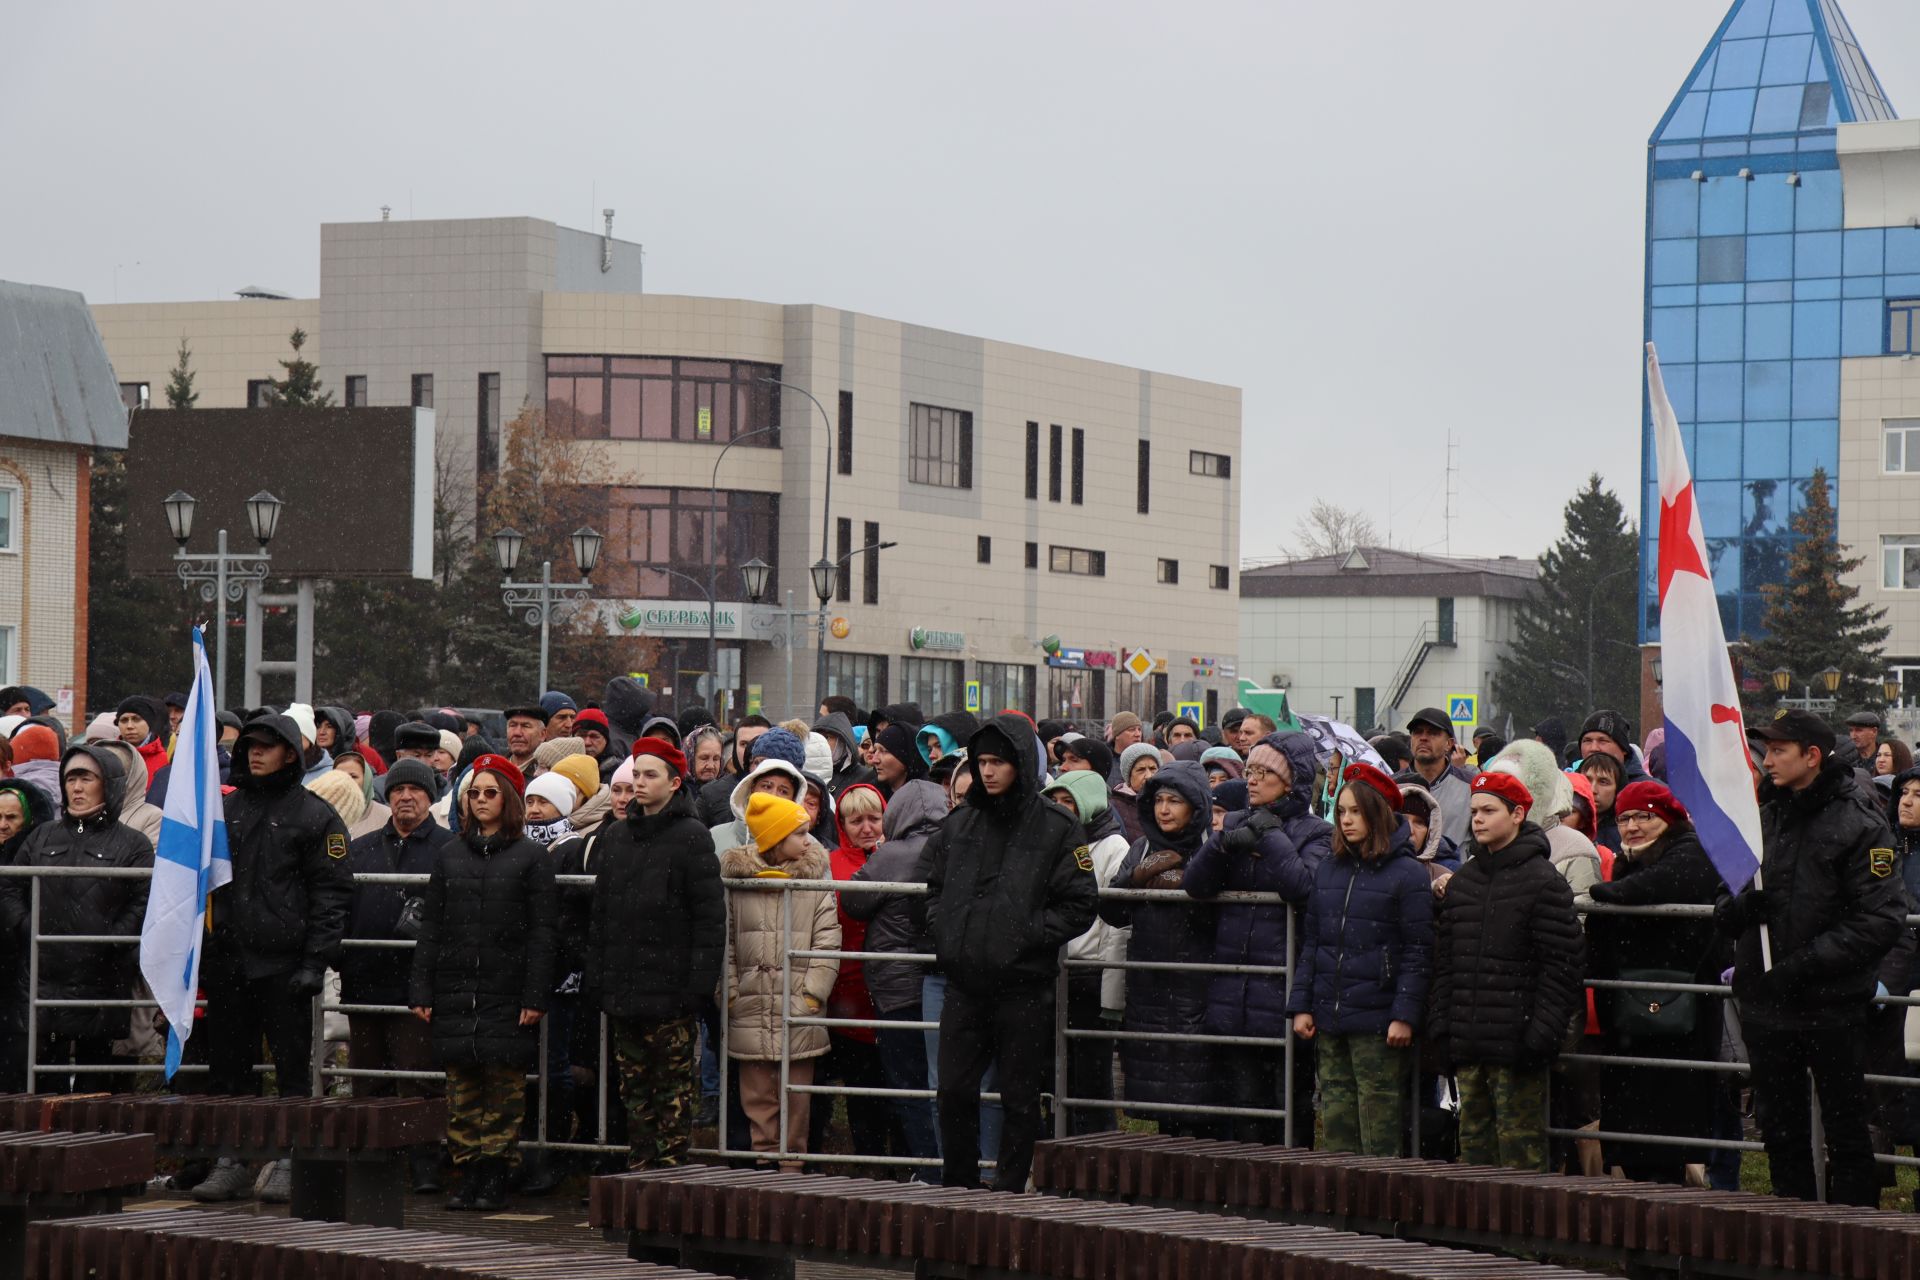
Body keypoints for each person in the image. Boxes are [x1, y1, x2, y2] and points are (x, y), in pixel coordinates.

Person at [1713, 710, 1906, 1206]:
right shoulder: (1763, 816)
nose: (1768, 760)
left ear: (1812, 756)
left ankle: (1855, 1241)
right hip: (1766, 1006)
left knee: (1845, 1129)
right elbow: (1722, 901)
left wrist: (1804, 965)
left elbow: (1881, 918)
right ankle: (1789, 1236)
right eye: (1767, 750)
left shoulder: (1859, 821)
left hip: (1831, 1005)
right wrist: (1739, 907)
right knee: (1780, 1130)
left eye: (1779, 750)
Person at [923, 714, 1097, 1191]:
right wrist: (947, 935)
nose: (988, 771)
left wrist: (1026, 935)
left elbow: (1081, 902)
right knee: (953, 1092)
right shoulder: (960, 823)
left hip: (1023, 987)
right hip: (965, 984)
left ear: (1019, 763)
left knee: (1019, 1098)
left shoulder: (1056, 827)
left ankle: (1010, 1189)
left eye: (998, 761)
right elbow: (933, 888)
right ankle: (958, 1186)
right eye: (981, 762)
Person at [194, 712, 354, 1205]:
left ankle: (292, 1157)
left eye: (266, 745)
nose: (254, 753)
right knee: (229, 1069)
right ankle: (232, 1159)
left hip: (284, 965)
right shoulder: (226, 810)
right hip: (229, 962)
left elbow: (331, 894)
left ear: (290, 751)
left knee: (291, 1069)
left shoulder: (315, 815)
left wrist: (314, 961)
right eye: (249, 746)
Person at [409, 754, 558, 1212]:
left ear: (509, 798)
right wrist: (422, 989)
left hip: (508, 992)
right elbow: (431, 926)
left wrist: (535, 994)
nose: (480, 801)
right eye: (473, 793)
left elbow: (543, 932)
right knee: (462, 1089)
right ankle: (468, 1171)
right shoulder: (450, 855)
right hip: (457, 991)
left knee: (504, 1090)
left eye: (490, 793)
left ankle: (494, 1174)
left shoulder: (531, 858)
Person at [1428, 770, 1585, 1172]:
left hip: (1518, 1049)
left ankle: (1522, 1238)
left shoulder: (1543, 883)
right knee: (1475, 1157)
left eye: (1488, 811)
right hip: (1470, 1046)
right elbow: (1447, 967)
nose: (1477, 818)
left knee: (1521, 1162)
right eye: (1475, 810)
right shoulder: (1463, 885)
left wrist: (1540, 1037)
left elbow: (1562, 968)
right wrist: (1444, 1032)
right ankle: (1479, 1236)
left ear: (1517, 814)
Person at [583, 737, 725, 1171]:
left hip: (671, 994)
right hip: (626, 991)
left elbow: (709, 920)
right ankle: (641, 1177)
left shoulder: (691, 837)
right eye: (635, 775)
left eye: (649, 775)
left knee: (672, 1095)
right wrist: (599, 979)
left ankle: (670, 1183)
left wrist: (696, 989)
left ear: (674, 782)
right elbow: (602, 914)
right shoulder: (616, 837)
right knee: (634, 1093)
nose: (638, 785)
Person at [1183, 731, 1329, 1142]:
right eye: (1251, 770)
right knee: (1242, 1103)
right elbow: (1196, 884)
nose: (1252, 779)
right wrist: (1223, 844)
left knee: (1290, 1101)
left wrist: (1271, 835)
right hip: (1235, 985)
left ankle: (1290, 1187)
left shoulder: (1315, 833)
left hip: (1284, 987)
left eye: (1265, 773)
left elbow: (1303, 887)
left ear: (1291, 781)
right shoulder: (1234, 821)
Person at [1585, 780, 1728, 1185]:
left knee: (1670, 1119)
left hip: (1681, 1011)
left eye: (1643, 817)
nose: (1632, 827)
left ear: (1667, 818)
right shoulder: (1632, 859)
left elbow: (1655, 887)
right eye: (1624, 818)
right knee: (1633, 1122)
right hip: (1636, 1012)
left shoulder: (1691, 852)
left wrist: (1601, 893)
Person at [1287, 762, 1432, 1156]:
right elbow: (1314, 942)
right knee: (1336, 1116)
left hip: (1379, 1019)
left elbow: (1418, 951)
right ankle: (1340, 1203)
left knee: (1378, 1118)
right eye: (1342, 812)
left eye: (1356, 812)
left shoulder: (1407, 874)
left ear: (1378, 814)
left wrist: (1404, 1014)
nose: (1346, 820)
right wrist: (1302, 1005)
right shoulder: (1330, 869)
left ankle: (1382, 1207)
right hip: (1331, 1016)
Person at [0, 744, 152, 1093]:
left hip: (100, 976)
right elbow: (10, 885)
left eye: (87, 778)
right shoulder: (42, 836)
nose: (77, 787)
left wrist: (113, 938)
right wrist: (25, 926)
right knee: (44, 1087)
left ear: (109, 784)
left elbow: (143, 899)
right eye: (71, 778)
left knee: (93, 1087)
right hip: (43, 975)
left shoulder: (133, 844)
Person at [342, 757, 451, 1193]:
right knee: (368, 1076)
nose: (406, 797)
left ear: (431, 796)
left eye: (416, 790)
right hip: (364, 979)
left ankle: (424, 1162)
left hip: (417, 985)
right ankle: (372, 1159)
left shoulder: (448, 848)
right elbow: (340, 905)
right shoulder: (361, 846)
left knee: (417, 1076)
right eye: (397, 791)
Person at [720, 794, 840, 1169]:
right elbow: (726, 944)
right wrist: (731, 991)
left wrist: (812, 994)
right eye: (800, 833)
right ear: (775, 838)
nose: (808, 840)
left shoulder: (813, 885)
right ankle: (765, 1166)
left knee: (797, 1098)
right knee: (757, 1097)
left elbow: (828, 940)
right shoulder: (737, 887)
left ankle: (793, 1167)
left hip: (798, 1008)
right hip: (751, 1006)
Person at [1102, 761, 1222, 1139]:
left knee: (1201, 1091)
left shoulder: (1211, 847)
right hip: (1150, 983)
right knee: (1162, 1096)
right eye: (1159, 801)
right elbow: (1111, 911)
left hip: (1198, 982)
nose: (1164, 809)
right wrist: (1135, 879)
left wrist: (1188, 889)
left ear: (1196, 806)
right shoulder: (1142, 847)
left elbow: (1219, 921)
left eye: (1175, 801)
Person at [1042, 770, 1132, 1134]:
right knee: (1055, 1072)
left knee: (1091, 1075)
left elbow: (1115, 925)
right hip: (1053, 969)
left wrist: (1110, 988)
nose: (1061, 809)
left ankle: (1096, 1151)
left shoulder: (1113, 847)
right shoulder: (1048, 842)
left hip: (1089, 972)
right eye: (1055, 801)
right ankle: (1058, 1147)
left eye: (1069, 802)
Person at [811, 783, 894, 1161]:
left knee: (888, 1087)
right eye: (856, 820)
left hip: (886, 990)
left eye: (874, 819)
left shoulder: (895, 858)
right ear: (842, 823)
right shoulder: (830, 862)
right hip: (842, 990)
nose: (867, 827)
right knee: (852, 1088)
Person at [1398, 709, 1471, 846]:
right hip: (1405, 866)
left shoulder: (1470, 787)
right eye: (1417, 732)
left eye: (1433, 733)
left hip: (1455, 867)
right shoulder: (1391, 786)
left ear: (1449, 744)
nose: (1423, 738)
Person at [697, 715, 770, 826]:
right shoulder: (711, 794)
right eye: (744, 744)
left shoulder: (791, 788)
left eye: (758, 742)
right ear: (734, 748)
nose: (751, 750)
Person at [501, 706, 547, 774]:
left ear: (542, 734)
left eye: (526, 726)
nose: (517, 733)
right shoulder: (494, 770)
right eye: (512, 725)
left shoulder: (548, 774)